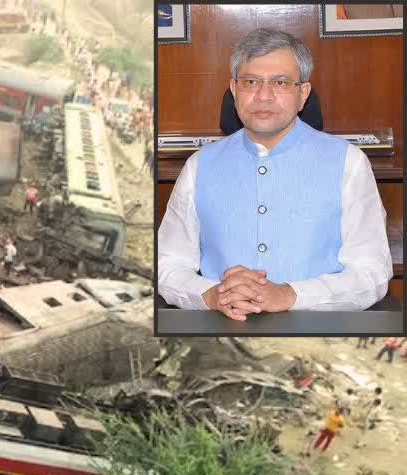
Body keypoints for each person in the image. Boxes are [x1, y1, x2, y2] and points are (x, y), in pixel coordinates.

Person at [156, 28, 391, 320]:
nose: (263, 96)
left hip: (320, 332)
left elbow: (371, 273)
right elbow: (167, 263)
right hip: (220, 329)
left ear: (302, 93)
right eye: (251, 82)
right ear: (234, 89)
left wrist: (290, 295)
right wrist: (210, 294)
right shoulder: (198, 166)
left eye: (280, 82)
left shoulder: (349, 163)